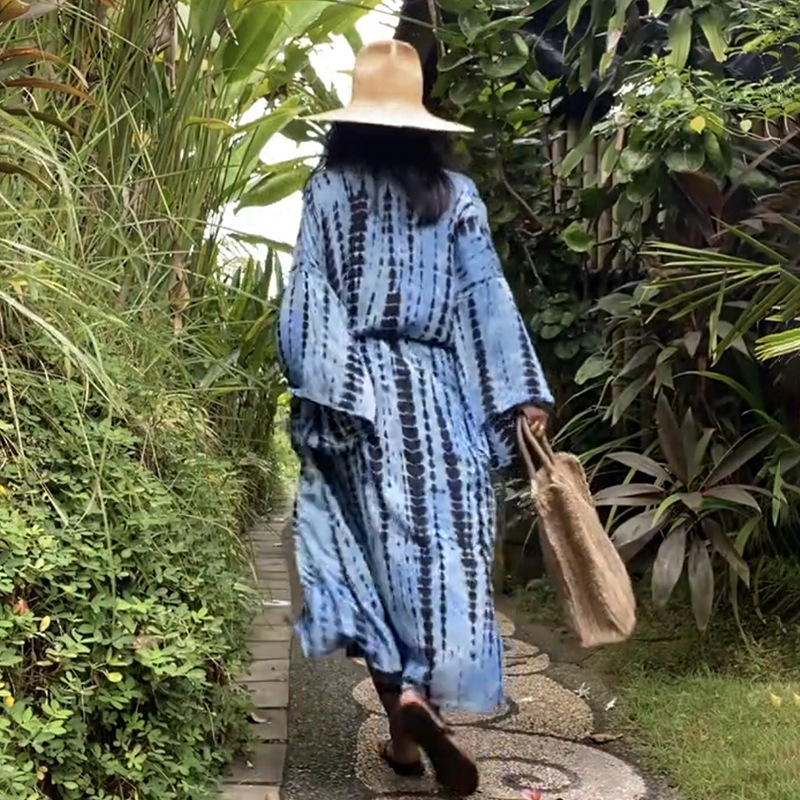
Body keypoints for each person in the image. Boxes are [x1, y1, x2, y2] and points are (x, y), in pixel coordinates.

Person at [277, 40, 553, 797]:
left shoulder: (328, 190)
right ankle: (416, 713)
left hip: (360, 396)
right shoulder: (456, 195)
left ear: (351, 119)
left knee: (368, 566)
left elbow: (311, 297)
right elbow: (486, 297)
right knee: (441, 561)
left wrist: (333, 397)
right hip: (442, 400)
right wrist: (520, 396)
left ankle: (403, 714)